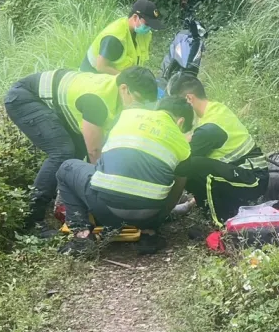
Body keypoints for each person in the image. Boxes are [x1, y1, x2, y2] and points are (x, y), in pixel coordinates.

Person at [3, 66, 159, 232]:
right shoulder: (98, 99)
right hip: (25, 97)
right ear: (124, 89)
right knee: (62, 152)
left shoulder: (118, 94)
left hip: (52, 101)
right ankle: (32, 219)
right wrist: (105, 191)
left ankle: (64, 201)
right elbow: (94, 151)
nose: (139, 107)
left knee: (76, 154)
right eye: (137, 99)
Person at [55, 95, 194, 254]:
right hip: (148, 214)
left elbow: (103, 152)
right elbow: (176, 192)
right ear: (180, 122)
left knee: (67, 167)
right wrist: (156, 219)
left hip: (105, 209)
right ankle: (149, 234)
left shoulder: (126, 116)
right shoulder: (184, 147)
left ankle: (82, 237)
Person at [168, 74, 265, 223]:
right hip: (239, 173)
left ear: (189, 99)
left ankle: (219, 223)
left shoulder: (211, 126)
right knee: (194, 164)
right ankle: (207, 204)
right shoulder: (213, 109)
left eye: (178, 104)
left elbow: (182, 157)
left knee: (191, 164)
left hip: (253, 180)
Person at [80, 0, 164, 75]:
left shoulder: (141, 34)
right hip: (92, 78)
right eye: (147, 24)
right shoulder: (114, 38)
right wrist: (127, 79)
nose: (149, 28)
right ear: (135, 17)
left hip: (116, 78)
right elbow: (101, 67)